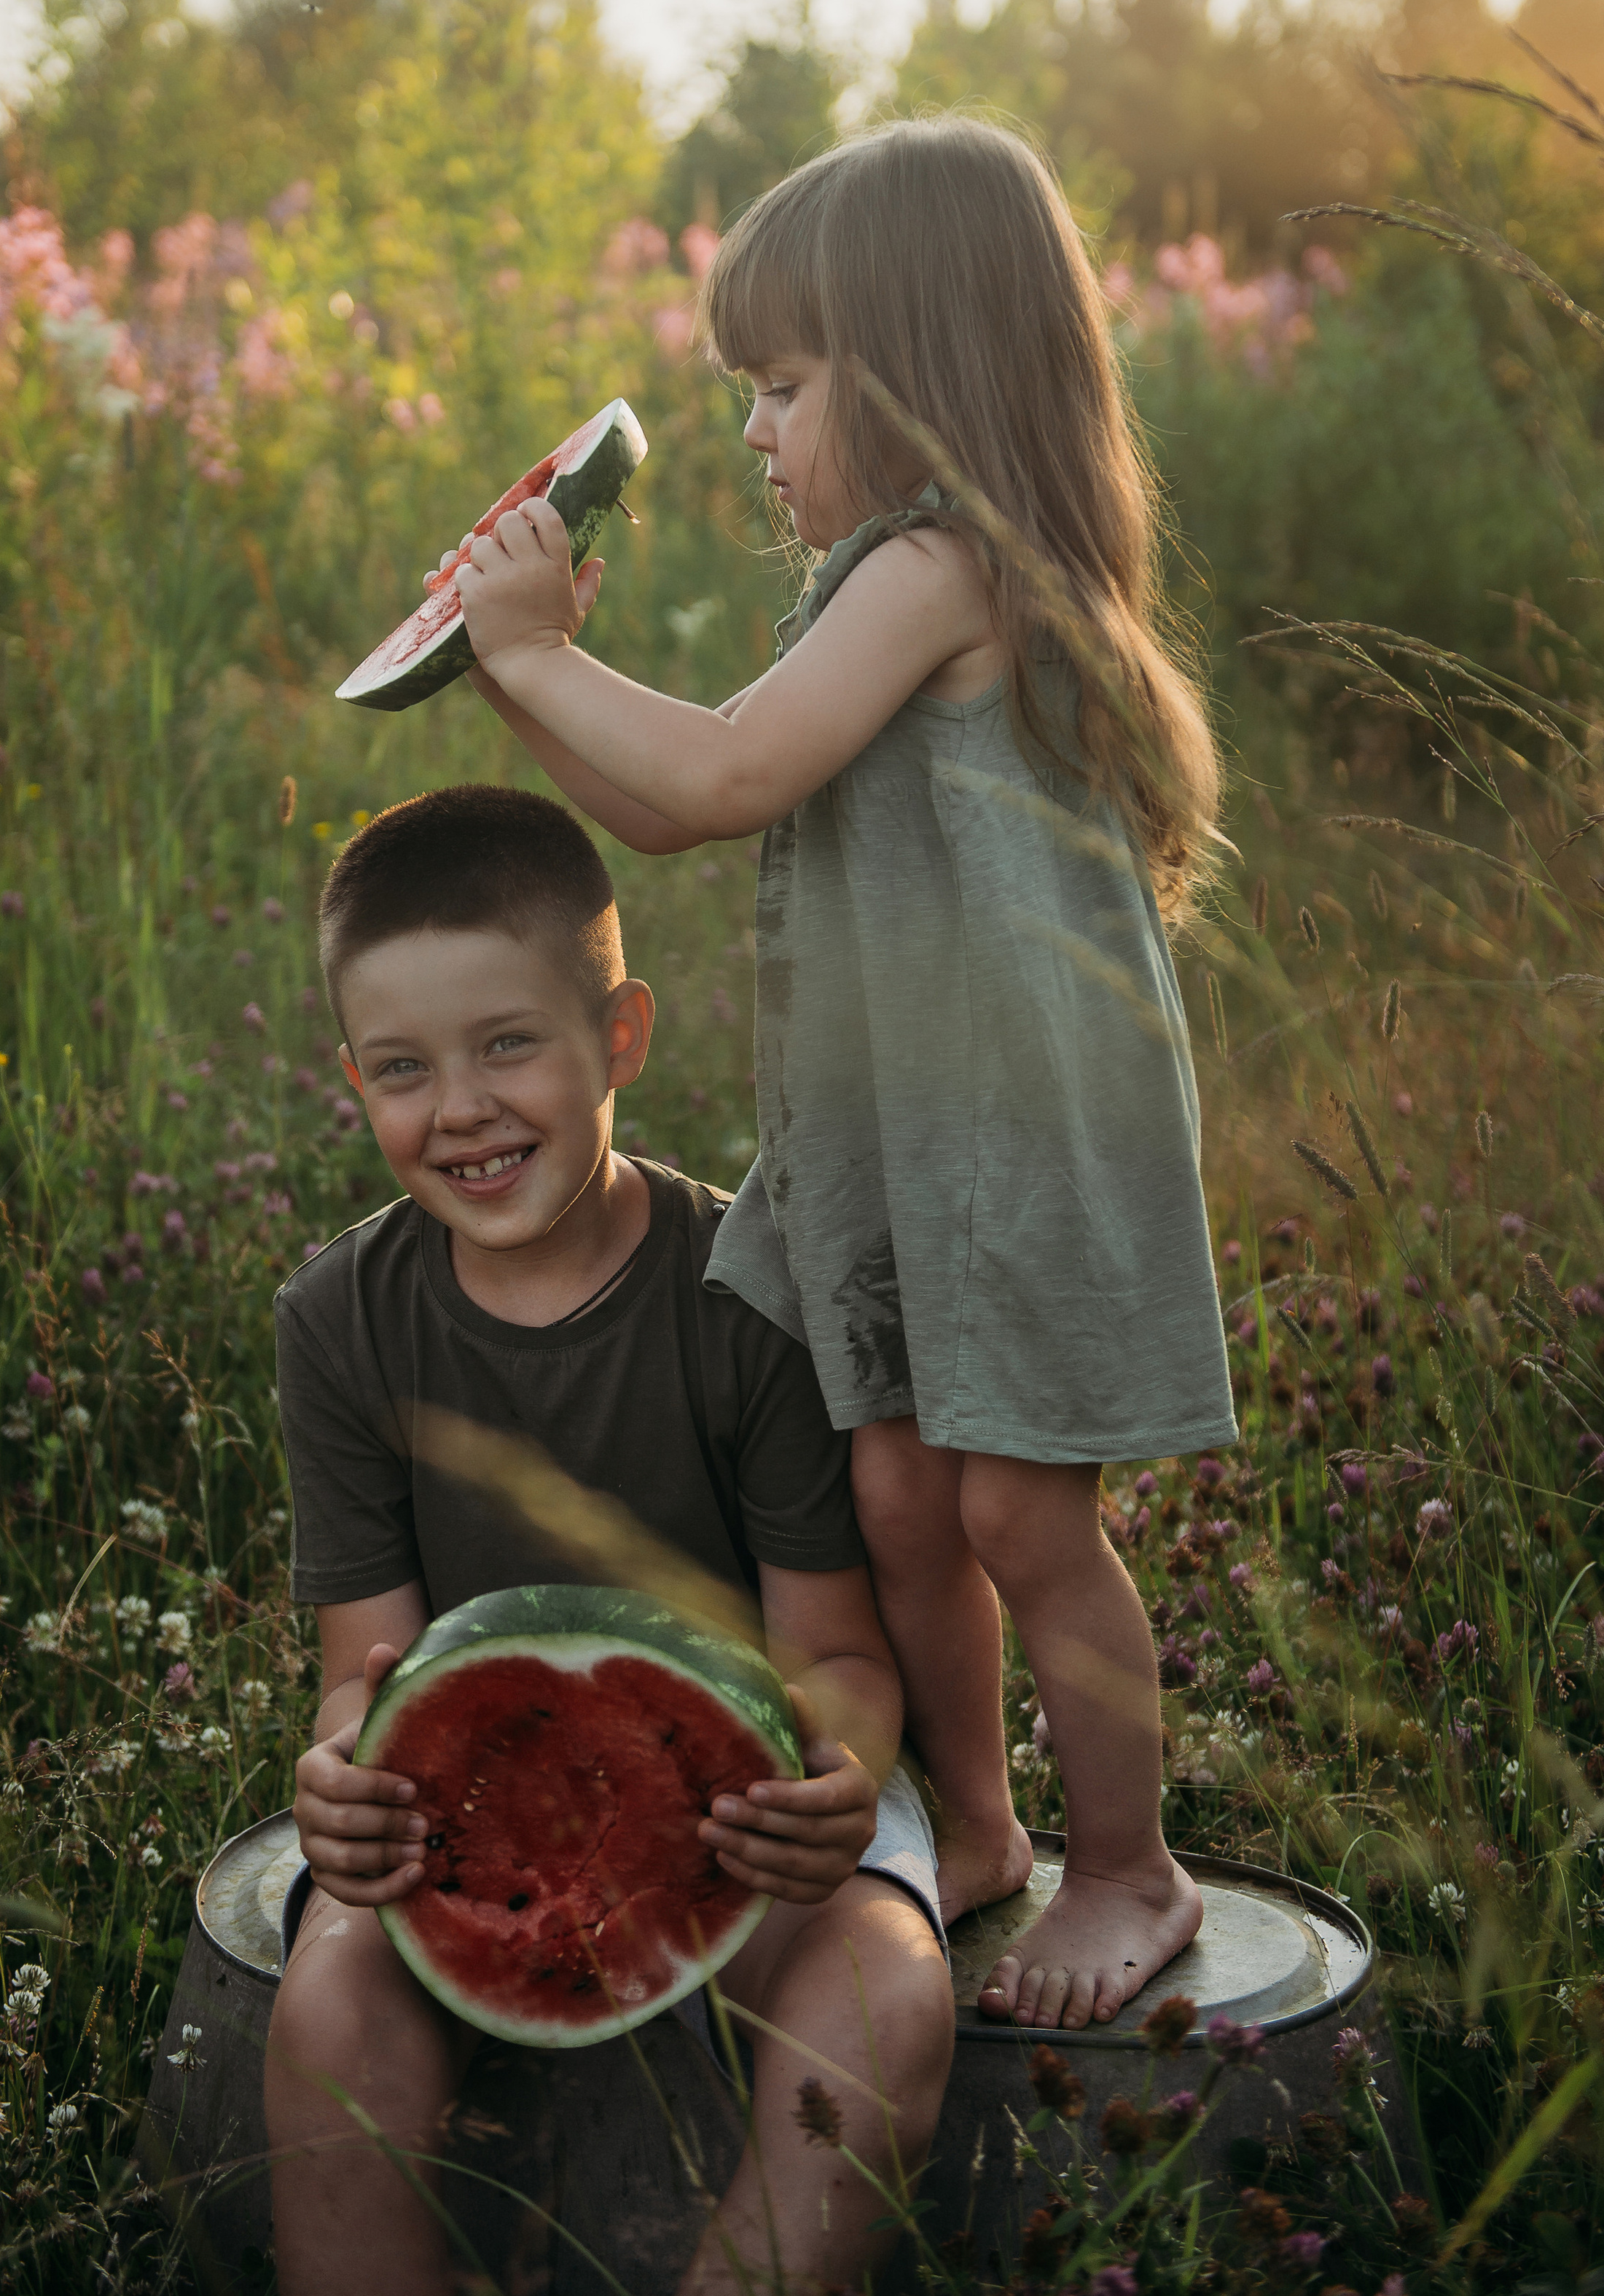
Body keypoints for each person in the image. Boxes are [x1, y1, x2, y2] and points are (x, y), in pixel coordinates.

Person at [447, 114, 1237, 2033]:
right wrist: (519, 680)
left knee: (1026, 1522)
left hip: (1018, 1147)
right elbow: (674, 817)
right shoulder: (866, 588)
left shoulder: (946, 568)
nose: (755, 428)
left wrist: (547, 655)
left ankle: (1132, 1865)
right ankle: (973, 1833)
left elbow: (719, 768)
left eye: (786, 384)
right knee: (897, 1502)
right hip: (894, 1147)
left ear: (925, 375)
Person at [264, 785, 955, 2296]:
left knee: (886, 2002)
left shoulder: (741, 1302)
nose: (459, 1110)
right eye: (400, 1069)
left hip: (746, 1811)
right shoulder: (337, 1326)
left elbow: (834, 1654)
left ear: (621, 1035)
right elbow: (355, 1682)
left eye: (508, 1043)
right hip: (464, 1823)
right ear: (353, 1082)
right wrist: (336, 1784)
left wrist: (837, 1772)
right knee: (326, 2014)